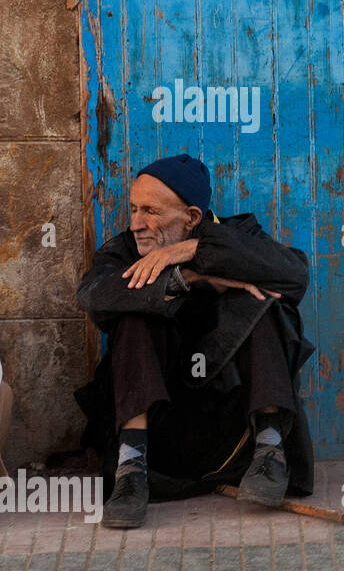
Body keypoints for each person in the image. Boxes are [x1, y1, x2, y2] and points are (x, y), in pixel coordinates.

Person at [75, 154, 316, 528]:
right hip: (162, 429)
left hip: (232, 430)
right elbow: (92, 295)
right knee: (135, 311)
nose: (136, 223)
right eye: (134, 209)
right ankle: (130, 468)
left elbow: (294, 275)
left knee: (263, 301)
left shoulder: (241, 238)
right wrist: (188, 278)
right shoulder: (123, 250)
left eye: (151, 211)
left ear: (191, 218)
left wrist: (192, 250)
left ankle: (270, 451)